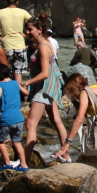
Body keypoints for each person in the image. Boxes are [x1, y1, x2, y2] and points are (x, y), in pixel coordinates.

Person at [19, 18, 70, 163]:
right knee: (56, 120)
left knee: (30, 123)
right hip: (49, 87)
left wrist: (27, 82)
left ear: (39, 29)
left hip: (44, 88)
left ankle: (24, 163)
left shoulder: (43, 47)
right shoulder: (44, 44)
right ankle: (65, 154)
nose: (27, 32)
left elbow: (45, 73)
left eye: (30, 29)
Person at [0, 0, 32, 86]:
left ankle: (8, 92)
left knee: (7, 73)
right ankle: (19, 95)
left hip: (6, 47)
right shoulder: (22, 12)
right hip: (20, 46)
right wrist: (26, 35)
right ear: (17, 2)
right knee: (18, 73)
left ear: (6, 3)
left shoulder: (0, 12)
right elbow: (34, 22)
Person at [0, 64, 28, 171]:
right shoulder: (15, 83)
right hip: (19, 118)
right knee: (17, 142)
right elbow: (25, 92)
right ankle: (24, 165)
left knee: (0, 140)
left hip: (6, 118)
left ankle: (7, 163)